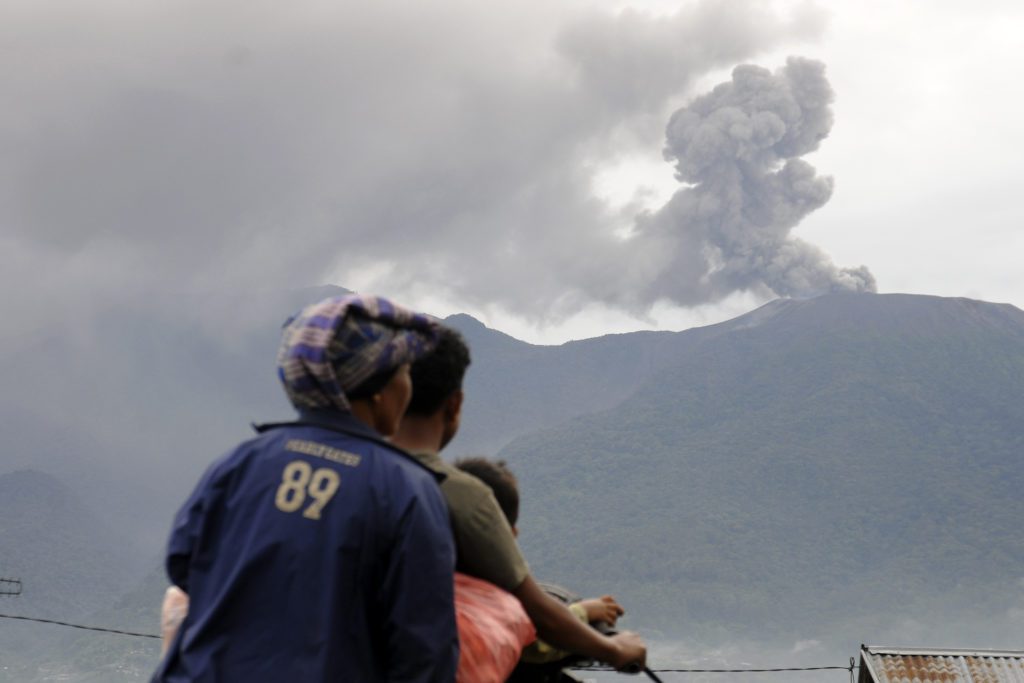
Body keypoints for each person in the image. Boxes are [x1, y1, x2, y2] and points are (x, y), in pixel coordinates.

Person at [152, 294, 459, 683]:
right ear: (379, 389)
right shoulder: (407, 489)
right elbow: (425, 650)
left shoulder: (240, 462)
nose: (408, 388)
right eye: (405, 374)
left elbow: (182, 561)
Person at [391, 326, 646, 672]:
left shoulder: (353, 476)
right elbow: (538, 623)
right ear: (455, 404)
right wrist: (615, 649)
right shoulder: (459, 495)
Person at [454, 457, 624, 665]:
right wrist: (585, 613)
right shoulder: (486, 594)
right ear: (507, 536)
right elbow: (532, 642)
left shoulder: (424, 572)